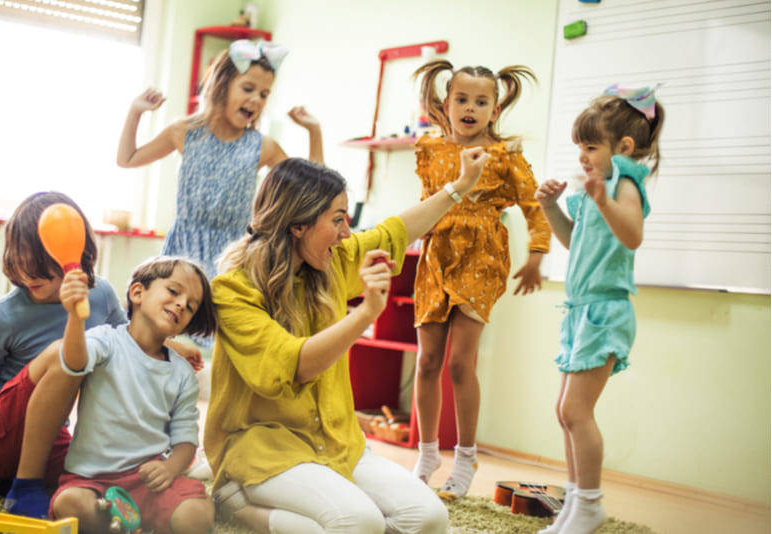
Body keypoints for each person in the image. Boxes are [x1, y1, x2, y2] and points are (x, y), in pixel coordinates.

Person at [204, 152, 489, 534]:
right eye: (338, 219)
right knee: (359, 521)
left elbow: (395, 232)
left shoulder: (332, 261)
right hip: (263, 447)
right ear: (298, 225)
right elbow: (292, 365)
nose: (346, 233)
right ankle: (238, 506)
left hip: (336, 442)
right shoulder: (233, 290)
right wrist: (365, 314)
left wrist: (458, 189)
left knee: (430, 518)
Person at [0, 192, 201, 496]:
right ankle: (20, 482)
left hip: (47, 436)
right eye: (18, 262)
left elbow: (126, 341)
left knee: (91, 480)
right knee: (63, 353)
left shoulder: (98, 295)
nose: (27, 274)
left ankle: (8, 482)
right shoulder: (4, 316)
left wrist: (175, 349)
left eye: (38, 264)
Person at [408, 59, 552, 500]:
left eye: (481, 101)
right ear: (446, 103)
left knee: (459, 362)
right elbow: (427, 203)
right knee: (427, 361)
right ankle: (427, 453)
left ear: (495, 107)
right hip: (436, 257)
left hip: (482, 256)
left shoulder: (505, 156)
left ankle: (466, 457)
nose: (470, 108)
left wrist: (536, 255)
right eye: (462, 99)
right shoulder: (430, 149)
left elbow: (534, 206)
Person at [534, 84, 664, 534]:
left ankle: (589, 505)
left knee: (575, 412)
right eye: (580, 148)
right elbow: (574, 242)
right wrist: (550, 207)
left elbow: (632, 236)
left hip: (605, 312)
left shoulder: (624, 184)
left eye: (590, 147)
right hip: (580, 311)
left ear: (623, 148)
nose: (582, 156)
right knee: (564, 411)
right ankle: (575, 501)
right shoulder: (597, 188)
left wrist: (603, 200)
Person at [9, 256, 218, 534]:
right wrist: (74, 316)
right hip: (92, 481)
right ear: (137, 293)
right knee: (71, 505)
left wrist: (170, 469)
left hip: (150, 484)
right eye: (173, 291)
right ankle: (117, 524)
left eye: (190, 306)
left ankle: (128, 524)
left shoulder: (182, 374)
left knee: (196, 514)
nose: (181, 304)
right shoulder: (106, 340)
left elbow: (186, 442)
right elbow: (74, 362)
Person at [117, 39, 323, 280]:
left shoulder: (262, 147)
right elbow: (127, 159)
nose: (256, 99)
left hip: (232, 258)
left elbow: (315, 190)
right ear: (222, 86)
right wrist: (135, 112)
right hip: (182, 253)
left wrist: (314, 132)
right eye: (248, 89)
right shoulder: (185, 132)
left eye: (264, 94)